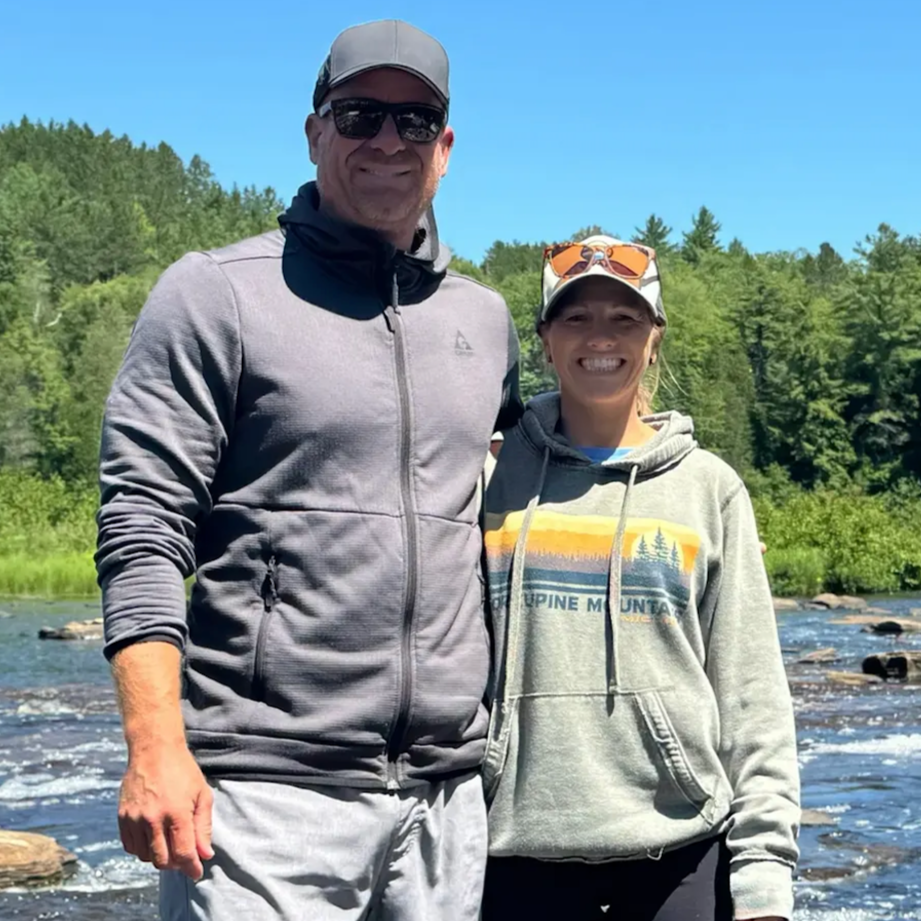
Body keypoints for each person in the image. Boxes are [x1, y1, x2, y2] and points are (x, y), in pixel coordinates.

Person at [96, 19, 521, 921]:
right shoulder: (218, 293)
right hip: (265, 790)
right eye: (361, 113)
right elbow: (141, 523)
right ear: (315, 129)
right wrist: (154, 744)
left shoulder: (484, 322)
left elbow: (526, 491)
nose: (386, 142)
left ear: (444, 148)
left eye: (415, 122)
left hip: (446, 798)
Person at [479, 235, 800, 920]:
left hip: (679, 857)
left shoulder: (708, 489)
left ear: (654, 338)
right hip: (506, 858)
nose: (601, 337)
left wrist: (763, 879)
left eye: (624, 318)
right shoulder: (486, 480)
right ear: (543, 339)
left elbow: (752, 696)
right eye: (576, 317)